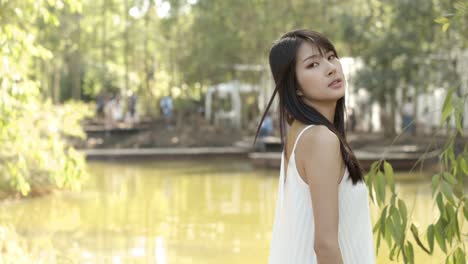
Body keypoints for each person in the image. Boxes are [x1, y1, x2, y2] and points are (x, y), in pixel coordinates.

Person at [254, 29, 375, 264]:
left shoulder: (301, 133)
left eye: (331, 57)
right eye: (313, 65)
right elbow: (325, 246)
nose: (331, 68)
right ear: (295, 86)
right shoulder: (320, 139)